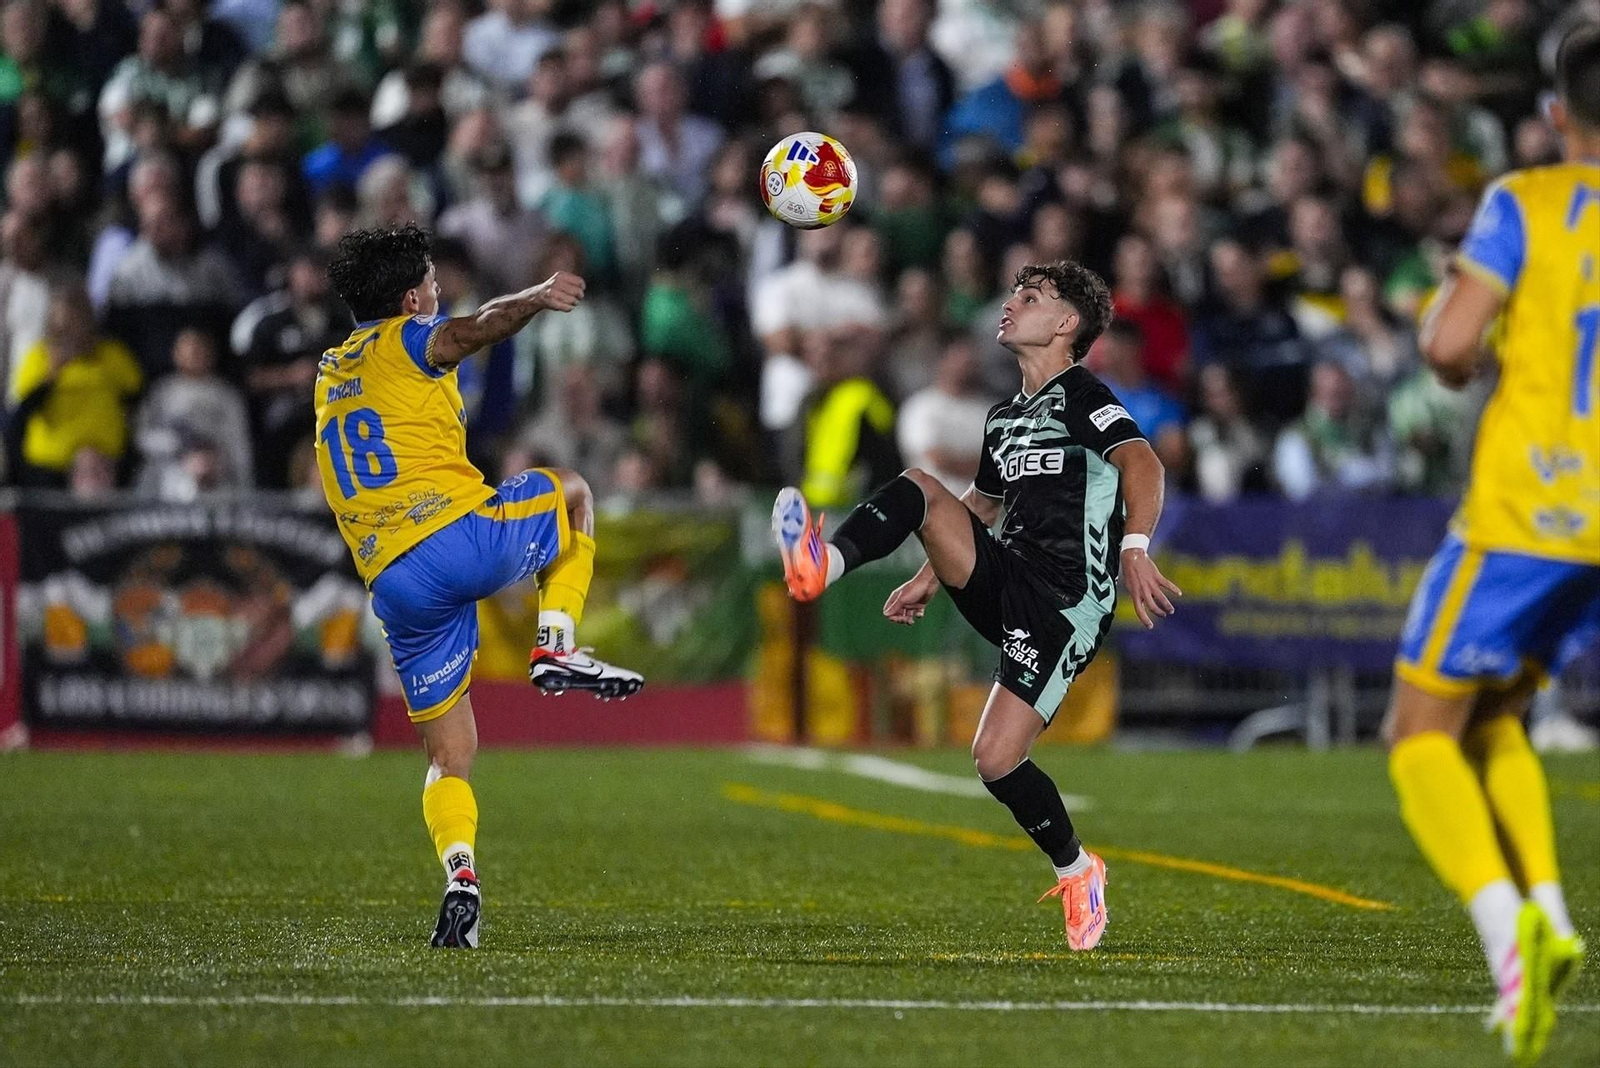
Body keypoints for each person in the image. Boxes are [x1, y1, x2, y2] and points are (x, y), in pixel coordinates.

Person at [771, 260, 1180, 950]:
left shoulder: (1084, 395)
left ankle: (1079, 869)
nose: (1010, 304)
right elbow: (984, 505)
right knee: (921, 486)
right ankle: (823, 565)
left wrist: (1135, 546)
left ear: (1067, 324)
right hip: (1007, 575)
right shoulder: (1005, 417)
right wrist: (932, 574)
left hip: (1062, 600)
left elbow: (1144, 463)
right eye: (1013, 293)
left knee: (993, 759)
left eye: (1031, 297)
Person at [316, 224, 642, 950]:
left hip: (393, 585)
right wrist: (535, 296)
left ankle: (461, 878)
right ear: (410, 298)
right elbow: (474, 330)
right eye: (430, 282)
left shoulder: (331, 367)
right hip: (450, 539)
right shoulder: (407, 338)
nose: (438, 292)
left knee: (448, 757)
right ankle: (556, 642)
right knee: (575, 493)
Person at [1385, 26, 1598, 1065]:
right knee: (1498, 707)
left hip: (1529, 511)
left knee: (1418, 728)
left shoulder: (1526, 200)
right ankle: (1551, 915)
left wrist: (1464, 343)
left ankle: (1502, 935)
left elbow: (1448, 344)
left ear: (1557, 116)